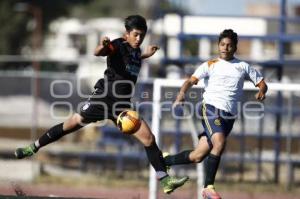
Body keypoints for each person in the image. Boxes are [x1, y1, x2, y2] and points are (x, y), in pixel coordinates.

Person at [15, 15, 188, 194]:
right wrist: (103, 45)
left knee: (149, 139)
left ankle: (165, 180)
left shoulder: (136, 50)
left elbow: (132, 58)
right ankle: (33, 147)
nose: (139, 39)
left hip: (122, 107)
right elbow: (99, 52)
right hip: (103, 99)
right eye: (135, 35)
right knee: (70, 125)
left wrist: (147, 54)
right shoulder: (118, 45)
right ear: (126, 33)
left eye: (142, 36)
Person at [164, 29, 268, 199]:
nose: (225, 48)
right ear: (218, 45)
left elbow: (262, 83)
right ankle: (208, 187)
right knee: (219, 142)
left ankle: (165, 161)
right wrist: (181, 94)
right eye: (222, 44)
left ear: (235, 47)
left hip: (229, 117)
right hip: (210, 109)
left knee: (198, 156)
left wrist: (262, 91)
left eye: (229, 45)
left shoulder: (243, 66)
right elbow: (190, 81)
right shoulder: (210, 64)